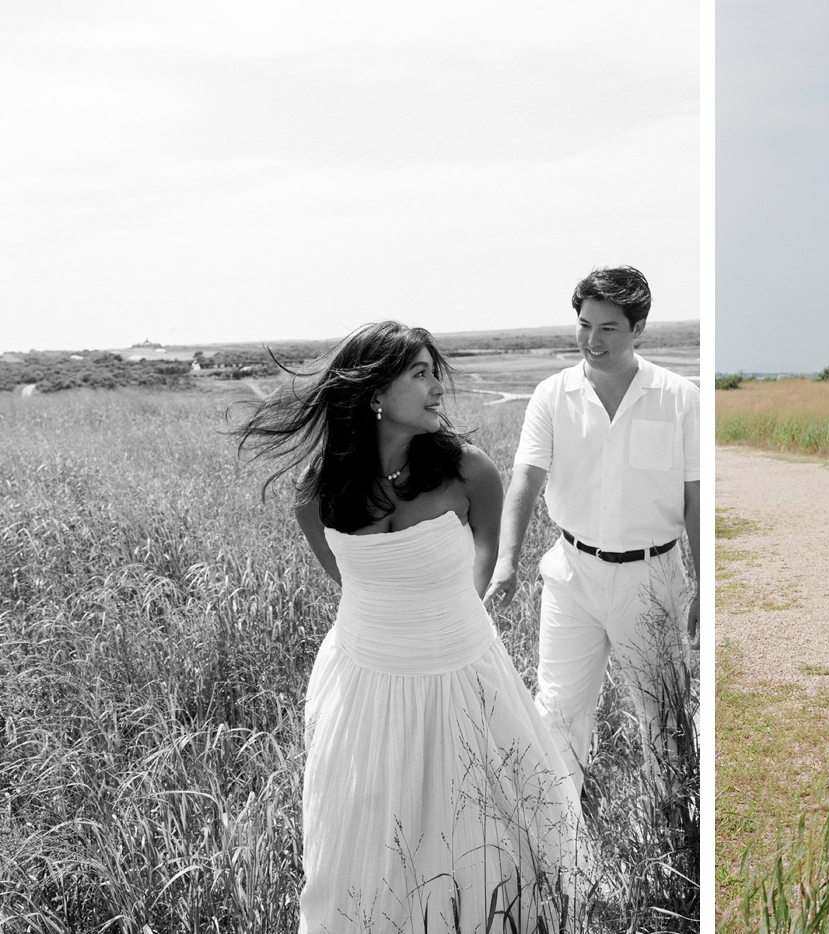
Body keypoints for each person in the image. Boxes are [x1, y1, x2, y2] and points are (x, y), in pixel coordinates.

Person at [233, 322, 582, 932]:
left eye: (434, 371)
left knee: (482, 833)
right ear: (374, 394)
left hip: (463, 673)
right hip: (363, 678)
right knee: (367, 828)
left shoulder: (470, 472)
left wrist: (443, 627)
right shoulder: (315, 493)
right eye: (418, 374)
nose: (436, 387)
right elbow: (352, 583)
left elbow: (483, 567)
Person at [485, 266, 700, 795]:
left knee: (663, 713)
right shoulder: (551, 395)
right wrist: (507, 560)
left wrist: (707, 586)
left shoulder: (679, 397)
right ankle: (560, 836)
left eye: (608, 328)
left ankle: (672, 825)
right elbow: (525, 482)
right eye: (584, 325)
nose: (592, 340)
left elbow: (696, 500)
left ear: (639, 328)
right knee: (557, 709)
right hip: (571, 575)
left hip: (653, 577)